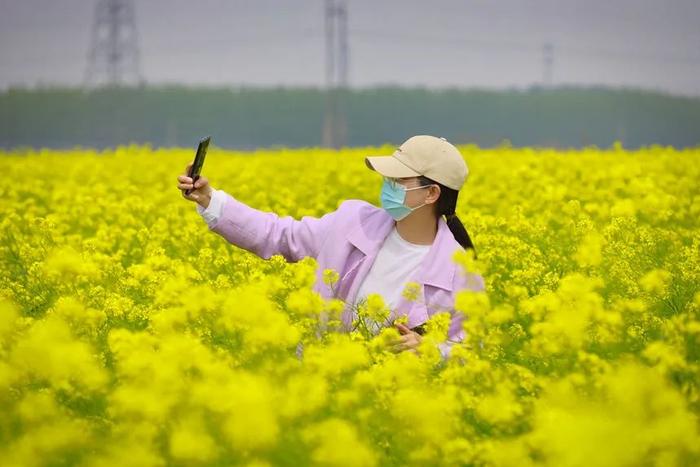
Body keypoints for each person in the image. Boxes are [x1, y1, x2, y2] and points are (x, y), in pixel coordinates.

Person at [177, 135, 485, 361]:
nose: (387, 185)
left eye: (398, 180)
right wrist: (209, 200)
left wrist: (430, 351)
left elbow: (470, 354)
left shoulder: (462, 275)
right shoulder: (351, 222)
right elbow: (279, 235)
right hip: (320, 389)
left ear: (431, 193)